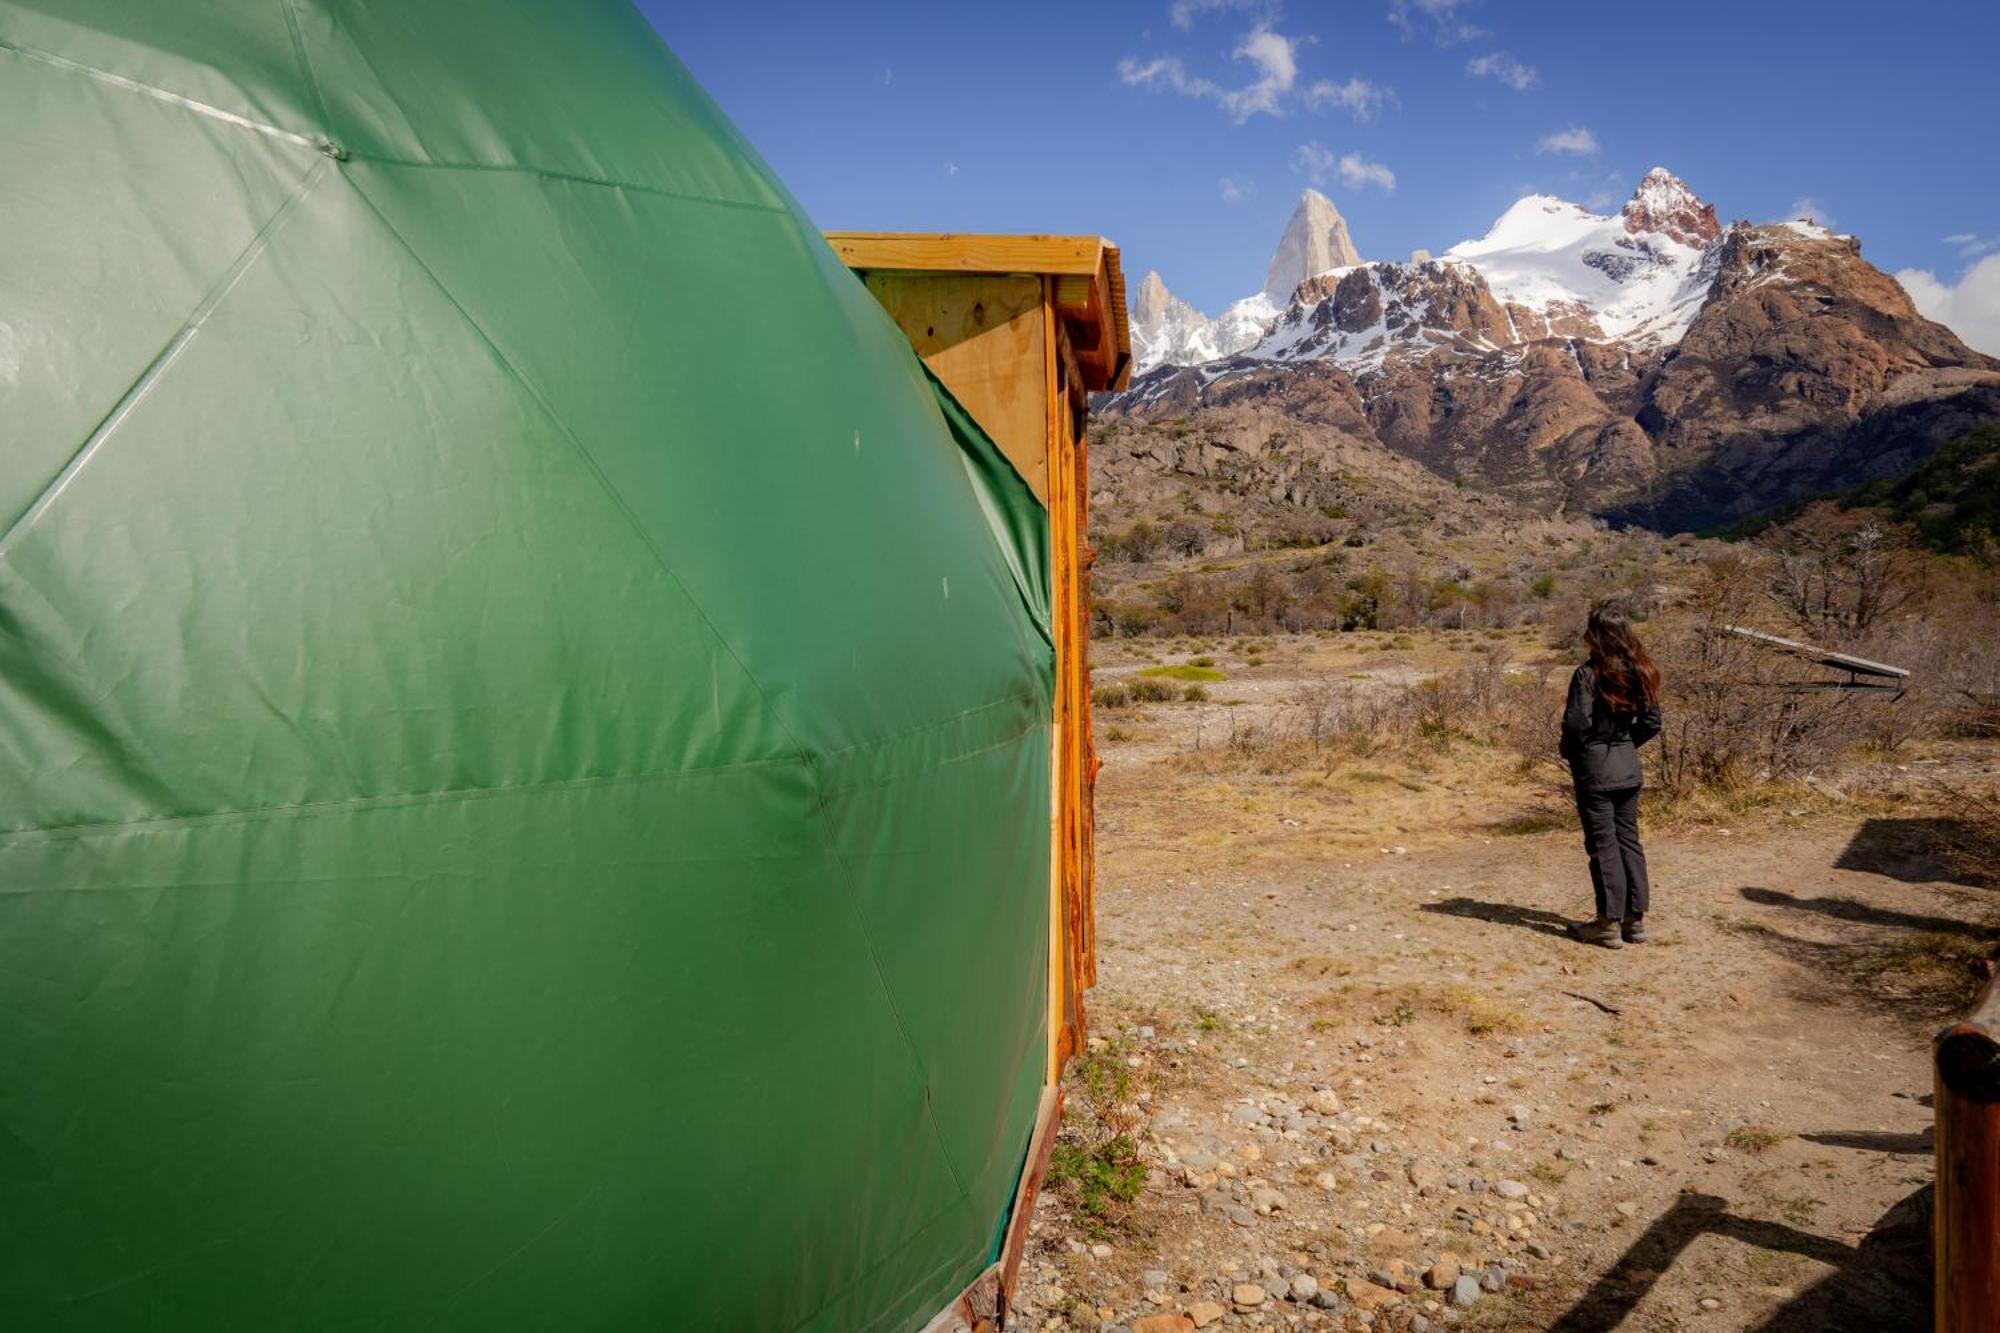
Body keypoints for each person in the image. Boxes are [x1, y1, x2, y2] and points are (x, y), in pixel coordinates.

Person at [1560, 601, 1662, 948]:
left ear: (1596, 635)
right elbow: (1652, 723)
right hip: (1628, 768)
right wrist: (1623, 745)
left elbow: (1576, 725)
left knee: (1603, 846)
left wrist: (1579, 754)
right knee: (1629, 841)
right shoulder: (1642, 671)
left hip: (1596, 771)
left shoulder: (1587, 674)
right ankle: (1634, 921)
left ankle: (1608, 923)